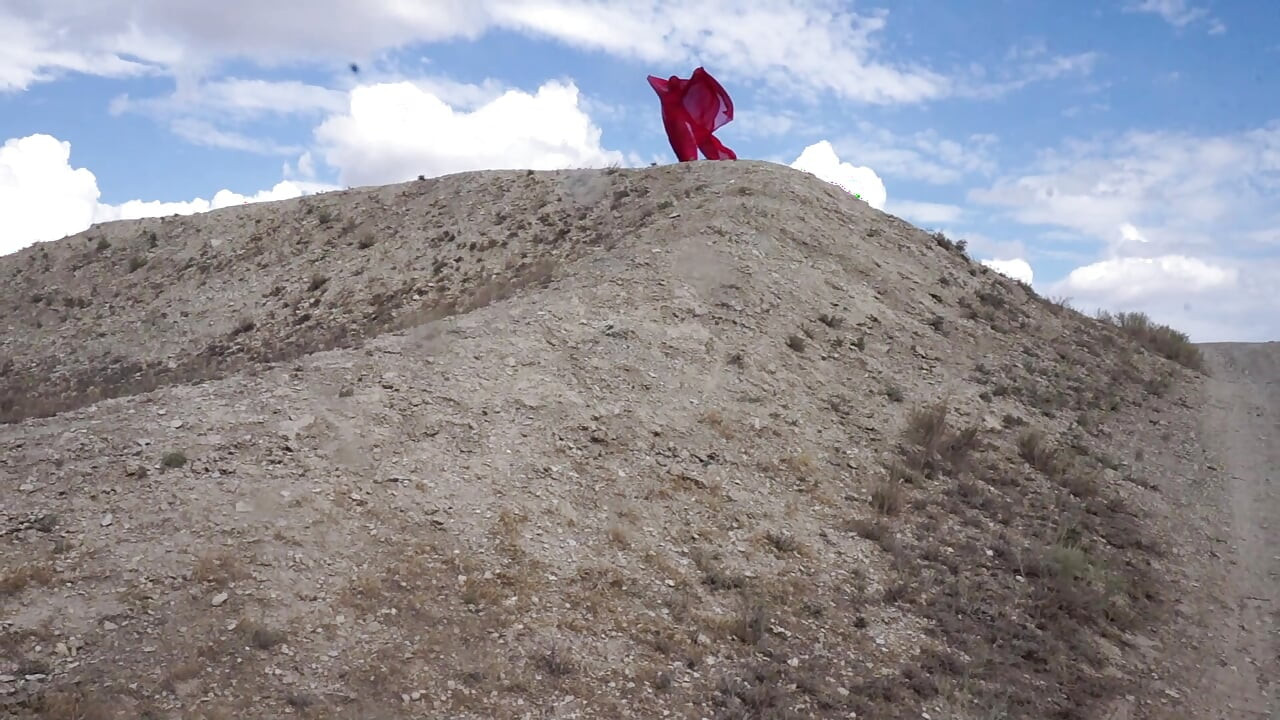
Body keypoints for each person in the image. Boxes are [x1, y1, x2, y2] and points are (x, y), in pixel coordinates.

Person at [647, 67, 737, 162]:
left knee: (687, 140)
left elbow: (654, 82)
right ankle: (690, 159)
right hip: (678, 122)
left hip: (678, 122)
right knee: (686, 140)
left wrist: (697, 75)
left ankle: (690, 159)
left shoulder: (667, 92)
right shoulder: (669, 93)